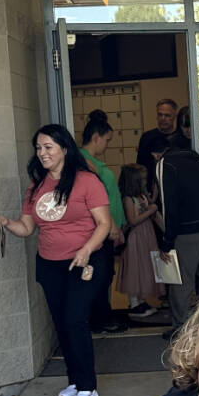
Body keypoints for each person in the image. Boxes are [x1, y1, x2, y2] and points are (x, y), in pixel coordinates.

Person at [0, 124, 111, 396]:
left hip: (83, 262)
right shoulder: (36, 187)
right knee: (61, 323)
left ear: (64, 149)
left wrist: (86, 249)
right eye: (38, 148)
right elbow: (27, 228)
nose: (42, 153)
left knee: (75, 320)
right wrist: (8, 223)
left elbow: (104, 224)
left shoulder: (86, 181)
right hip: (49, 264)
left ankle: (87, 386)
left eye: (48, 147)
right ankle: (74, 381)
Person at [155, 140, 199, 331]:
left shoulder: (166, 164)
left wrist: (167, 241)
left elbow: (168, 204)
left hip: (190, 227)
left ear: (156, 154)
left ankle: (181, 328)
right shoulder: (196, 161)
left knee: (181, 277)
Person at [79, 109, 128, 335]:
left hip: (109, 230)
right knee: (100, 276)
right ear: (96, 137)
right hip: (101, 231)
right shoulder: (83, 164)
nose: (107, 145)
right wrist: (112, 226)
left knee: (105, 275)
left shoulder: (93, 163)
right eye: (107, 140)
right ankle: (99, 318)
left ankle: (102, 316)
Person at [118, 162, 162, 319]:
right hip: (135, 237)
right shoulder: (128, 199)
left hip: (145, 235)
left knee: (144, 266)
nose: (144, 182)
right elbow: (133, 220)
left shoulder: (141, 196)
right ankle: (134, 302)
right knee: (134, 267)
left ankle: (141, 300)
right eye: (142, 180)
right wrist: (151, 210)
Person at [137, 98, 179, 186]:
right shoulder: (147, 137)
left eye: (167, 115)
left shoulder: (180, 138)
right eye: (160, 115)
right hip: (151, 188)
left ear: (174, 116)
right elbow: (140, 167)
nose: (163, 119)